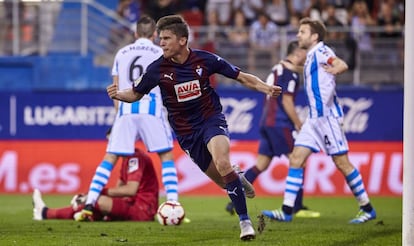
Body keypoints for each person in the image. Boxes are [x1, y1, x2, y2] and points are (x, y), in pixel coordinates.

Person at [106, 15, 282, 241]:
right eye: (160, 38)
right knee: (223, 180)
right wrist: (119, 94)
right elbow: (135, 93)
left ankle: (245, 223)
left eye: (166, 38)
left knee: (222, 162)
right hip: (186, 133)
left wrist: (265, 87)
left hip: (211, 119)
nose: (161, 43)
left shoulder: (205, 60)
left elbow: (241, 77)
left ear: (182, 40)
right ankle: (237, 175)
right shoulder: (157, 68)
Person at [261, 17, 376, 224]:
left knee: (342, 163)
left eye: (302, 32)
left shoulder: (323, 51)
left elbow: (339, 63)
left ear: (314, 37)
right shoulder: (312, 56)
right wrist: (288, 66)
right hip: (313, 120)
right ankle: (287, 210)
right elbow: (308, 69)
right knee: (296, 159)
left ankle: (367, 208)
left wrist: (338, 68)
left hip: (327, 119)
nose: (298, 35)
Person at [78, 15, 181, 221]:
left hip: (126, 110)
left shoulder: (121, 53)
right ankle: (173, 204)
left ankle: (89, 203)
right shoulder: (161, 52)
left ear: (135, 34)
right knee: (166, 157)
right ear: (154, 35)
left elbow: (116, 88)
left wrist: (119, 116)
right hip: (151, 109)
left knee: (110, 158)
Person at [225, 40, 320, 219]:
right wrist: (299, 125)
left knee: (262, 163)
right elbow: (286, 101)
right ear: (298, 53)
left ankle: (234, 200)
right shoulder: (290, 73)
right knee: (299, 160)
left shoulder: (278, 68)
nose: (307, 56)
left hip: (267, 122)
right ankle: (297, 207)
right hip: (280, 123)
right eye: (305, 53)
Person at [32, 148, 159, 222]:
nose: (110, 147)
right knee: (95, 203)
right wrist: (90, 196)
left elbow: (130, 190)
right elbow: (119, 190)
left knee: (98, 202)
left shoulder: (134, 158)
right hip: (134, 206)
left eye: (112, 142)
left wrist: (97, 194)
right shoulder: (127, 159)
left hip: (143, 209)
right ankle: (47, 213)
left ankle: (46, 213)